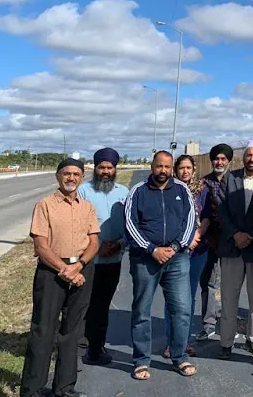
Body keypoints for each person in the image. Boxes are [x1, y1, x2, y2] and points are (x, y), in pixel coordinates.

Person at [20, 158, 100, 397]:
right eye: (66, 173)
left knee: (71, 331)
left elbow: (94, 241)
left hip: (82, 270)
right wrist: (65, 271)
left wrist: (80, 265)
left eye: (76, 174)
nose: (71, 178)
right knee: (43, 330)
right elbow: (41, 246)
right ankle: (32, 389)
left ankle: (64, 387)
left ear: (82, 177)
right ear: (58, 176)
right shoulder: (44, 205)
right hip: (51, 272)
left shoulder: (87, 207)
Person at [125, 151, 198, 381]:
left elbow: (190, 220)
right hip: (146, 258)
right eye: (159, 166)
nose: (163, 171)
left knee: (182, 310)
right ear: (152, 166)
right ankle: (141, 361)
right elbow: (130, 223)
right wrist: (151, 249)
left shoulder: (181, 190)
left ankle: (179, 357)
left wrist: (176, 247)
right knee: (142, 311)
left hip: (177, 258)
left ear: (172, 167)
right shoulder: (138, 191)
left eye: (167, 167)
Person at [216, 135, 253, 360]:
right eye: (249, 154)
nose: (252, 158)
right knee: (229, 296)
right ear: (243, 157)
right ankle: (226, 341)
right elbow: (221, 208)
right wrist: (235, 234)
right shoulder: (230, 178)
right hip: (231, 247)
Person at [80, 148, 129, 366]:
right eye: (102, 167)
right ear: (95, 168)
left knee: (103, 305)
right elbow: (77, 226)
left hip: (114, 259)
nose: (106, 171)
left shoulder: (124, 192)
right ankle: (82, 346)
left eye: (110, 168)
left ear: (115, 169)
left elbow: (132, 225)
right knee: (85, 304)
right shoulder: (83, 192)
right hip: (89, 261)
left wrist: (119, 244)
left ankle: (96, 347)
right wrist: (96, 247)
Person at [163, 155, 210, 359]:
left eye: (188, 167)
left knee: (189, 296)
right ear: (175, 170)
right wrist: (183, 240)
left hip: (198, 249)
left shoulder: (202, 189)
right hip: (176, 250)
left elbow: (208, 215)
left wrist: (196, 236)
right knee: (173, 297)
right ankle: (170, 342)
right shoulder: (168, 188)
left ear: (193, 169)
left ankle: (183, 342)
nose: (185, 171)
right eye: (181, 168)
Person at [195, 143, 233, 341]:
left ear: (228, 161)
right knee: (208, 282)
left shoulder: (235, 181)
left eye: (223, 159)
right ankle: (208, 323)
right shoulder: (204, 183)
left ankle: (227, 322)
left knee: (229, 284)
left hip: (230, 240)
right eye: (216, 159)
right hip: (208, 241)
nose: (219, 162)